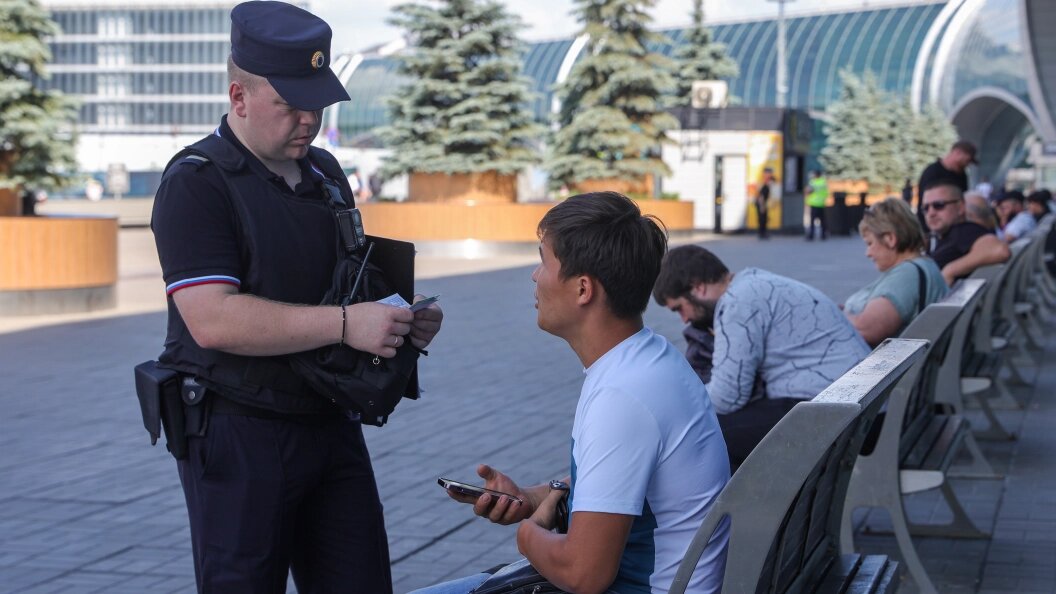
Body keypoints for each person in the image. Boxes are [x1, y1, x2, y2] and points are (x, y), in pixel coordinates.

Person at [150, 2, 443, 592]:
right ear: (239, 97)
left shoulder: (326, 173)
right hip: (238, 435)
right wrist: (344, 325)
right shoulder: (197, 184)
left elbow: (348, 285)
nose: (308, 119)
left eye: (317, 102)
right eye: (290, 103)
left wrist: (396, 321)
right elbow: (211, 320)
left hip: (328, 423)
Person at [414, 193, 730, 594]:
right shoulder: (646, 359)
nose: (534, 275)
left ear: (583, 289)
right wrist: (533, 498)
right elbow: (625, 478)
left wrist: (529, 534)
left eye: (543, 259)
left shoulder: (622, 395)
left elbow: (584, 574)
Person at [653, 245, 870, 466]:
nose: (684, 319)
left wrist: (676, 405)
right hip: (854, 405)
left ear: (698, 287)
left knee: (703, 432)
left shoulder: (738, 303)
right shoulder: (754, 283)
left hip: (831, 414)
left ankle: (732, 501)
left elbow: (727, 397)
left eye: (679, 308)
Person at [843, 198, 948, 347]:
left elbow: (866, 329)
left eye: (870, 243)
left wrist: (833, 314)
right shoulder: (924, 264)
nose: (868, 253)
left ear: (890, 239)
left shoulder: (906, 275)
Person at [923, 183, 1010, 286]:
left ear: (960, 207)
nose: (931, 213)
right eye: (925, 208)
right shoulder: (944, 236)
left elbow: (999, 250)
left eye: (939, 205)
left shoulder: (964, 231)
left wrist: (950, 270)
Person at [916, 140, 977, 226]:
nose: (968, 164)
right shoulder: (932, 172)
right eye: (967, 160)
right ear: (958, 153)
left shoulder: (962, 175)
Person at [804, 169, 828, 240]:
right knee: (823, 221)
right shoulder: (823, 182)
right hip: (821, 203)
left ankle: (811, 235)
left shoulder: (813, 182)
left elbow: (808, 191)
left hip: (814, 203)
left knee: (812, 221)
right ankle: (823, 235)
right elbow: (826, 192)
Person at [754, 168, 775, 240]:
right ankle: (761, 233)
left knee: (765, 218)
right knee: (762, 218)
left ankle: (764, 232)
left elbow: (768, 196)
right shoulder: (764, 184)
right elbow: (761, 196)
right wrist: (762, 206)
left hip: (763, 203)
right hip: (760, 203)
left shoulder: (767, 184)